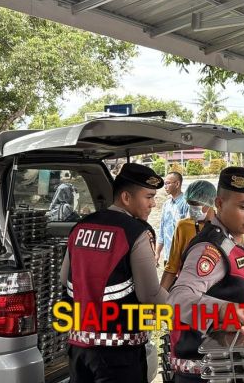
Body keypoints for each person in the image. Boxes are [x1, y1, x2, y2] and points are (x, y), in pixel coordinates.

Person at [60, 163, 169, 383]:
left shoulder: (81, 227)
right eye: (148, 197)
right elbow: (150, 295)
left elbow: (64, 278)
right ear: (126, 197)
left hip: (79, 347)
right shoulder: (137, 232)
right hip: (119, 352)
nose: (153, 204)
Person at [167, 167, 244, 382]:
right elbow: (177, 297)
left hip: (228, 366)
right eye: (243, 207)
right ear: (219, 203)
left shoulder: (230, 241)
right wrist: (220, 310)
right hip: (207, 372)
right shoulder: (210, 248)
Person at [160, 180, 217, 290]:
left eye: (195, 204)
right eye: (189, 204)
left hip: (215, 292)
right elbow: (172, 266)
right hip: (187, 289)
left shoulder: (223, 226)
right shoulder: (183, 226)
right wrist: (159, 295)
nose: (192, 209)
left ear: (210, 203)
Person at [156, 172, 188, 266]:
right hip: (168, 256)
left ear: (177, 184)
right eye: (164, 184)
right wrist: (157, 253)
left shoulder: (186, 204)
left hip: (181, 258)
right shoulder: (166, 205)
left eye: (167, 183)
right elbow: (162, 231)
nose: (165, 186)